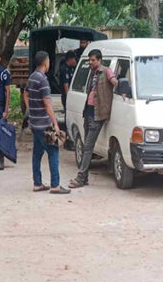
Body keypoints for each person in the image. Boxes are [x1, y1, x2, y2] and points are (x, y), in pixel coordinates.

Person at [70, 49, 117, 189]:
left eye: (93, 60)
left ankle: (81, 178)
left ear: (99, 60)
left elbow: (115, 82)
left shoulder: (106, 71)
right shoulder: (93, 72)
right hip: (89, 111)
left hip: (98, 114)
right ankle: (83, 178)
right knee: (86, 146)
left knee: (88, 146)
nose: (90, 62)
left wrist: (123, 88)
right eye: (89, 60)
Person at [26, 51, 68, 194]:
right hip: (44, 124)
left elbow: (25, 94)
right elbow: (48, 104)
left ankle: (37, 183)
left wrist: (31, 110)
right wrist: (55, 123)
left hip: (34, 123)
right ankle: (55, 185)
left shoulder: (32, 77)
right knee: (53, 151)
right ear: (45, 63)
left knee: (37, 154)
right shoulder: (43, 80)